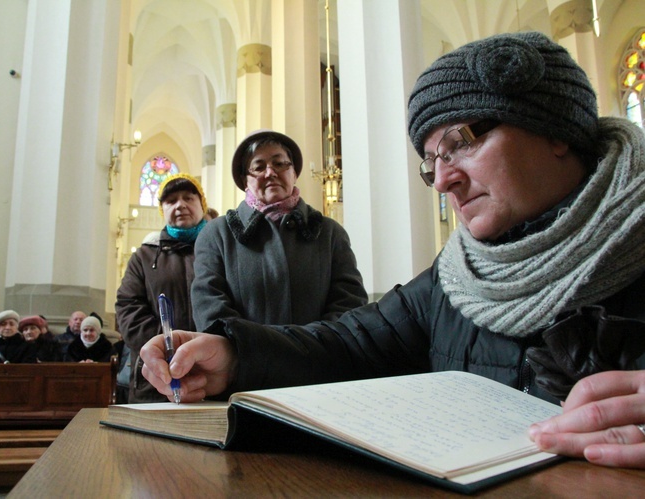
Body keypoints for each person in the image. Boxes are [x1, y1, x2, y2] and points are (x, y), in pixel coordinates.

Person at [140, 32, 645, 469]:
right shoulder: (452, 279)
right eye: (431, 162)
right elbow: (351, 343)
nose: (443, 179)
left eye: (461, 141)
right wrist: (234, 355)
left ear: (554, 129)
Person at [190, 130, 368, 330]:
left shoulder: (329, 233)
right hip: (245, 359)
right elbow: (209, 305)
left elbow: (349, 302)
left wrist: (314, 347)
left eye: (280, 163)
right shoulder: (217, 235)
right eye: (258, 167)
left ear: (294, 173)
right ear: (244, 180)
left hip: (318, 358)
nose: (270, 172)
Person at [116, 173, 209, 402]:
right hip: (156, 376)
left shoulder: (219, 249)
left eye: (189, 198)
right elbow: (129, 308)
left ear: (201, 204)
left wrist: (210, 348)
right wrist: (169, 346)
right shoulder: (145, 256)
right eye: (171, 201)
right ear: (162, 210)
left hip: (212, 370)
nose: (181, 205)